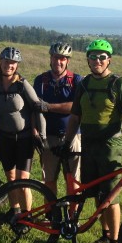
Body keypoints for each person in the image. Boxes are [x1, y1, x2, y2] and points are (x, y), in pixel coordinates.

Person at [58, 39, 122, 243]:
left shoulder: (118, 84)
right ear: (87, 59)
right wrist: (67, 141)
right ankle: (105, 236)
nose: (97, 61)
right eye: (93, 57)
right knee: (96, 193)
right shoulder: (83, 84)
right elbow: (75, 116)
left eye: (102, 57)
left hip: (109, 147)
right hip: (88, 145)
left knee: (110, 196)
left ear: (109, 60)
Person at [0, 47, 47, 214]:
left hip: (24, 138)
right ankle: (14, 211)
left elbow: (37, 107)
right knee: (10, 178)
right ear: (0, 62)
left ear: (17, 65)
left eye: (13, 63)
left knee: (22, 180)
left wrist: (42, 135)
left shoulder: (22, 85)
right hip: (5, 137)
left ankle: (27, 215)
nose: (9, 65)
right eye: (6, 61)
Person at [33, 42, 82, 196]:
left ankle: (73, 218)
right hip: (48, 137)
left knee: (73, 182)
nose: (58, 61)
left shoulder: (76, 80)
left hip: (73, 137)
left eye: (62, 58)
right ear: (51, 58)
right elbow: (34, 107)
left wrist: (48, 107)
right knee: (48, 181)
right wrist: (34, 131)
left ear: (67, 61)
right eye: (56, 57)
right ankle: (52, 216)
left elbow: (76, 106)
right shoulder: (41, 80)